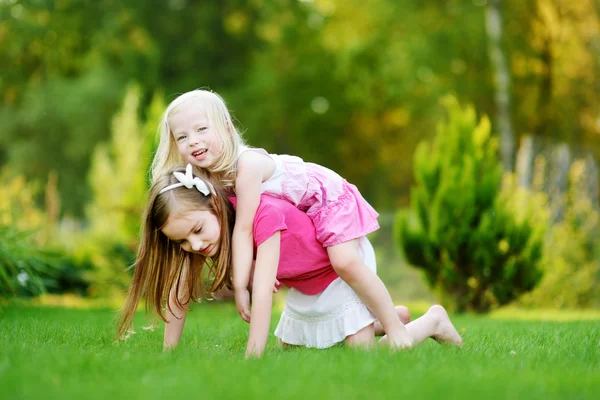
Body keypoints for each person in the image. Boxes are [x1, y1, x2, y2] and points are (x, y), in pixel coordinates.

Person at [150, 89, 413, 349]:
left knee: (344, 261)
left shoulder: (247, 167)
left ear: (227, 129)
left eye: (202, 129)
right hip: (309, 212)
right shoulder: (205, 181)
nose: (193, 141)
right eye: (182, 136)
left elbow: (243, 230)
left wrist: (241, 287)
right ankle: (384, 318)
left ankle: (393, 326)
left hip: (329, 199)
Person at [116, 166, 463, 357]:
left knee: (363, 356)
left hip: (337, 268)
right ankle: (379, 320)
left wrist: (253, 355)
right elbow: (179, 292)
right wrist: (169, 354)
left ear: (215, 205)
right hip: (307, 281)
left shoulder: (260, 214)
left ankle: (431, 321)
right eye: (182, 241)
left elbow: (264, 293)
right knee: (294, 349)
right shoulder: (204, 235)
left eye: (196, 230)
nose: (194, 244)